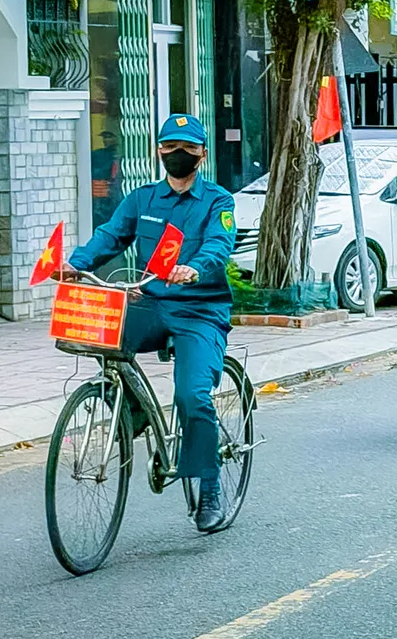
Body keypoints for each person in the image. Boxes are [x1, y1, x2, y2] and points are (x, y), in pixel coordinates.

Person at [63, 113, 236, 533]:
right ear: (158, 151)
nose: (178, 154)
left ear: (202, 154)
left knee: (193, 396)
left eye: (187, 148)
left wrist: (194, 268)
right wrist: (76, 264)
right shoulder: (142, 199)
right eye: (170, 147)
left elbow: (219, 243)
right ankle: (136, 413)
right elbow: (111, 235)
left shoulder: (218, 201)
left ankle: (208, 486)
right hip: (152, 301)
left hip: (200, 309)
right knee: (101, 340)